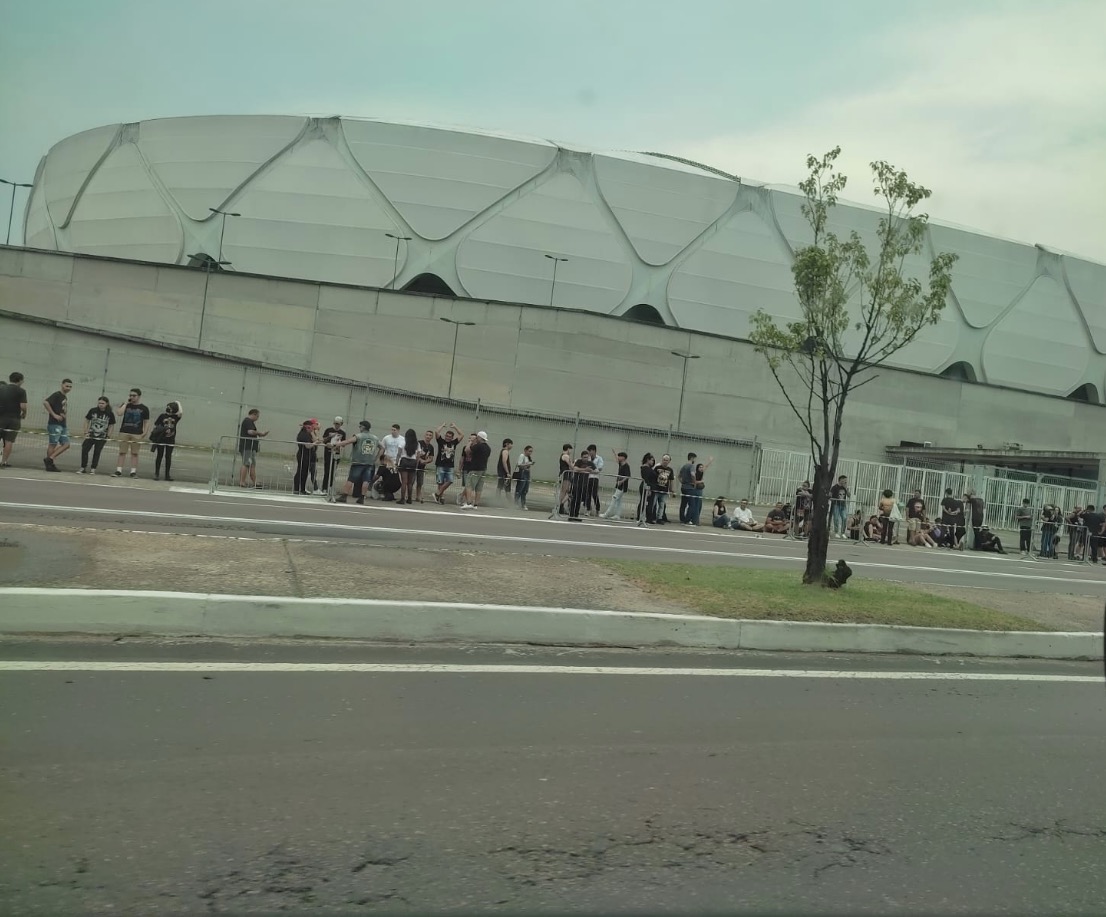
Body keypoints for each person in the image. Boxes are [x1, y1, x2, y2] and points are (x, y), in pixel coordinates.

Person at [334, 421, 378, 504]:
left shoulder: (359, 436)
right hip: (369, 462)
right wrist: (376, 457)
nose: (359, 428)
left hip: (358, 461)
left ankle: (344, 495)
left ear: (363, 427)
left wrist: (336, 444)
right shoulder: (375, 438)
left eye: (360, 426)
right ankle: (362, 497)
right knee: (366, 480)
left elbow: (348, 441)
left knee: (351, 479)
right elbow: (382, 447)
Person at [113, 388, 150, 477]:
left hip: (137, 433)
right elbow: (119, 413)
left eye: (134, 395)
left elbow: (146, 421)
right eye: (130, 395)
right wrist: (125, 403)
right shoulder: (126, 405)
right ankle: (119, 470)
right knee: (122, 452)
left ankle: (133, 472)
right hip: (124, 431)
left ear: (139, 396)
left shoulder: (144, 408)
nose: (132, 397)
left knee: (135, 453)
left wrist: (144, 432)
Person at [76, 395, 115, 474]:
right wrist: (86, 432)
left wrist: (108, 435)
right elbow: (87, 420)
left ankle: (93, 468)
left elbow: (111, 425)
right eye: (99, 403)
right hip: (91, 434)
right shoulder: (93, 410)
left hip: (102, 436)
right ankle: (83, 467)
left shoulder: (110, 413)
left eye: (103, 403)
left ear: (106, 404)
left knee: (97, 452)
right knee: (85, 449)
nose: (101, 404)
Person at [43, 378, 73, 471]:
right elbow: (46, 402)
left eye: (70, 387)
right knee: (53, 443)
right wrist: (54, 414)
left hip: (62, 424)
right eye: (66, 386)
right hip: (54, 424)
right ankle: (50, 464)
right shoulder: (57, 395)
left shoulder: (64, 397)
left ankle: (50, 459)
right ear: (62, 385)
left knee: (66, 444)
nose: (68, 388)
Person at [0, 371, 29, 468]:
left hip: (1, 417)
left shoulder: (2, 388)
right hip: (14, 419)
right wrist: (24, 414)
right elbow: (23, 406)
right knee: (9, 441)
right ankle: (3, 462)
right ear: (20, 380)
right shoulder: (21, 391)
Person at [151, 400, 183, 481]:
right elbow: (157, 424)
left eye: (169, 408)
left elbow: (181, 412)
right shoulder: (162, 416)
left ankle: (167, 475)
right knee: (159, 455)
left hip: (171, 439)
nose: (167, 409)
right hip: (161, 439)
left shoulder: (176, 417)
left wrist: (178, 403)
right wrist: (163, 429)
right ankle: (157, 473)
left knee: (168, 457)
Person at [433, 422, 463, 504]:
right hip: (440, 464)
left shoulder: (454, 443)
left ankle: (438, 494)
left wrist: (455, 427)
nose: (448, 437)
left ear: (452, 437)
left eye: (450, 437)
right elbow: (436, 432)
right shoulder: (441, 441)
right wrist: (442, 426)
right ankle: (440, 497)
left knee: (450, 480)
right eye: (447, 436)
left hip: (450, 466)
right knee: (440, 482)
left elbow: (461, 435)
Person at [237, 409, 268, 488]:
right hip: (247, 446)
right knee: (246, 463)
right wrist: (260, 433)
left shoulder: (249, 422)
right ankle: (242, 481)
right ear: (253, 414)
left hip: (250, 447)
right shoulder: (248, 421)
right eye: (257, 416)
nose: (257, 418)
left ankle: (255, 482)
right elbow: (250, 432)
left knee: (252, 465)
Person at [461, 431, 492, 509]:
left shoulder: (478, 446)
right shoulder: (488, 448)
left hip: (475, 468)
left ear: (479, 438)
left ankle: (469, 503)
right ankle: (476, 504)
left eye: (477, 437)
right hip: (483, 469)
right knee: (479, 487)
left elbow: (467, 450)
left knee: (469, 485)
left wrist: (470, 442)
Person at [601, 450, 630, 520]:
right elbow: (617, 460)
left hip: (622, 486)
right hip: (619, 485)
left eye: (620, 456)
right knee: (619, 501)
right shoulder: (621, 464)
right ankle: (617, 515)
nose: (618, 457)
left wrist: (621, 482)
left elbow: (628, 476)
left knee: (614, 498)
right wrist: (614, 454)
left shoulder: (626, 466)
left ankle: (607, 514)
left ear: (623, 458)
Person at [566, 449, 594, 520]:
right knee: (574, 500)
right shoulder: (578, 461)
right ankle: (571, 515)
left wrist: (592, 471)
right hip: (576, 483)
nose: (585, 459)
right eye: (584, 457)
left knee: (579, 500)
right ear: (581, 457)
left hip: (584, 484)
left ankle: (576, 515)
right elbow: (575, 468)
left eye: (587, 457)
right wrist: (585, 469)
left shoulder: (590, 463)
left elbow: (596, 470)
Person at [292, 419, 318, 495]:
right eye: (309, 428)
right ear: (305, 427)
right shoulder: (303, 435)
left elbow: (315, 439)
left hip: (307, 456)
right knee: (300, 472)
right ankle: (297, 489)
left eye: (311, 427)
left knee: (305, 472)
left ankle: (302, 489)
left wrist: (313, 433)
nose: (311, 429)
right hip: (303, 455)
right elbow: (308, 446)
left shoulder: (308, 434)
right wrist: (315, 443)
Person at [321, 417, 345, 494]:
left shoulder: (342, 433)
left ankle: (330, 487)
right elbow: (323, 440)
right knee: (327, 471)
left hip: (336, 453)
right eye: (335, 423)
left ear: (341, 424)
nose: (336, 425)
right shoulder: (328, 430)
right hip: (328, 453)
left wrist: (339, 444)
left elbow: (344, 444)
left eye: (338, 424)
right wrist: (329, 437)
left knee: (333, 471)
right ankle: (324, 488)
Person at [397, 428, 420, 504]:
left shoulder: (403, 442)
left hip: (404, 461)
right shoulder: (417, 444)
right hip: (413, 462)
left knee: (404, 482)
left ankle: (402, 499)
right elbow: (418, 456)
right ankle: (409, 499)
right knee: (410, 483)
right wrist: (416, 465)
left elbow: (399, 454)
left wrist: (397, 463)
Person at [690, 458, 714, 525]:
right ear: (697, 468)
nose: (701, 468)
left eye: (702, 467)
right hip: (695, 490)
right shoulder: (695, 473)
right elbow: (693, 482)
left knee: (699, 505)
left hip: (700, 490)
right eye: (700, 467)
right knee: (695, 505)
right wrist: (701, 481)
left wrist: (710, 461)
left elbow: (706, 467)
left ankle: (696, 519)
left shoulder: (702, 472)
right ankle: (694, 520)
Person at [652, 455, 675, 524]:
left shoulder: (670, 470)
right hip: (656, 489)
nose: (665, 461)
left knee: (662, 505)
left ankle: (659, 518)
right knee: (653, 504)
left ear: (669, 461)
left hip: (664, 490)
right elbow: (653, 478)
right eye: (664, 460)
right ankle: (652, 517)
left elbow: (671, 480)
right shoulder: (657, 468)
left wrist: (671, 489)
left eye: (667, 460)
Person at [415, 429, 435, 503]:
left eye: (430, 435)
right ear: (425, 435)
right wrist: (420, 459)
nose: (428, 437)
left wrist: (425, 461)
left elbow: (431, 458)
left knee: (420, 482)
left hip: (422, 467)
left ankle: (418, 496)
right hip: (415, 465)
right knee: (411, 481)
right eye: (427, 435)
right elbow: (415, 453)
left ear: (432, 437)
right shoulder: (419, 443)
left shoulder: (431, 447)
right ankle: (408, 495)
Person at [677, 452, 698, 524]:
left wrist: (682, 482)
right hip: (689, 487)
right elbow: (692, 474)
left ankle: (682, 518)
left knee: (683, 503)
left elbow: (679, 476)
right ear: (692, 458)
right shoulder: (692, 466)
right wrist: (694, 483)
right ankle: (687, 519)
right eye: (695, 458)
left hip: (683, 487)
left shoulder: (684, 466)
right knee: (692, 504)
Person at [636, 454, 656, 526]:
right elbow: (646, 479)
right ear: (648, 460)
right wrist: (649, 488)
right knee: (644, 502)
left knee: (647, 502)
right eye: (652, 460)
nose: (653, 462)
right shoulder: (645, 468)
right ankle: (641, 517)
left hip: (650, 487)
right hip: (647, 487)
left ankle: (647, 517)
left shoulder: (648, 468)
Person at [586, 444, 604, 516]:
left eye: (590, 451)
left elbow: (599, 468)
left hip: (594, 478)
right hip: (587, 477)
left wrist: (591, 465)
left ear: (593, 450)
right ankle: (588, 509)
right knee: (587, 494)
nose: (589, 453)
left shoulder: (599, 458)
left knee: (594, 494)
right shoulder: (587, 458)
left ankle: (597, 509)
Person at [514, 444, 534, 510]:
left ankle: (523, 504)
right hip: (522, 473)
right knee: (520, 489)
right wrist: (528, 464)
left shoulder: (528, 458)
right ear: (525, 450)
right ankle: (516, 503)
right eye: (529, 451)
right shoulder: (522, 456)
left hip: (527, 474)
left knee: (525, 490)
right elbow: (519, 464)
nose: (530, 453)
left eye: (531, 451)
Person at [557, 443, 574, 515]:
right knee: (565, 491)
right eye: (570, 450)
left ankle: (561, 505)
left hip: (565, 474)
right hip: (566, 475)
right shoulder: (566, 456)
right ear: (568, 449)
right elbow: (571, 466)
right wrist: (574, 464)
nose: (570, 451)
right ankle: (560, 505)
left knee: (566, 491)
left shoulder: (563, 455)